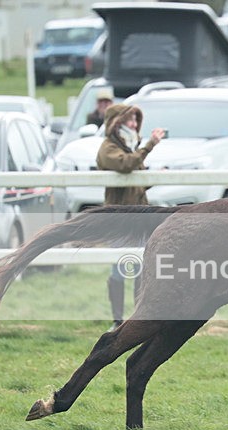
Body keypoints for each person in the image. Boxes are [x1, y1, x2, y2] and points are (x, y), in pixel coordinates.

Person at [96, 103, 166, 331]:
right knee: (120, 268)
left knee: (140, 266)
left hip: (139, 217)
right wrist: (150, 145)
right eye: (130, 120)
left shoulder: (130, 147)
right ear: (117, 123)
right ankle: (117, 321)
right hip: (120, 220)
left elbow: (138, 182)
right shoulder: (108, 149)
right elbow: (126, 166)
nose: (134, 125)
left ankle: (136, 317)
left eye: (136, 121)